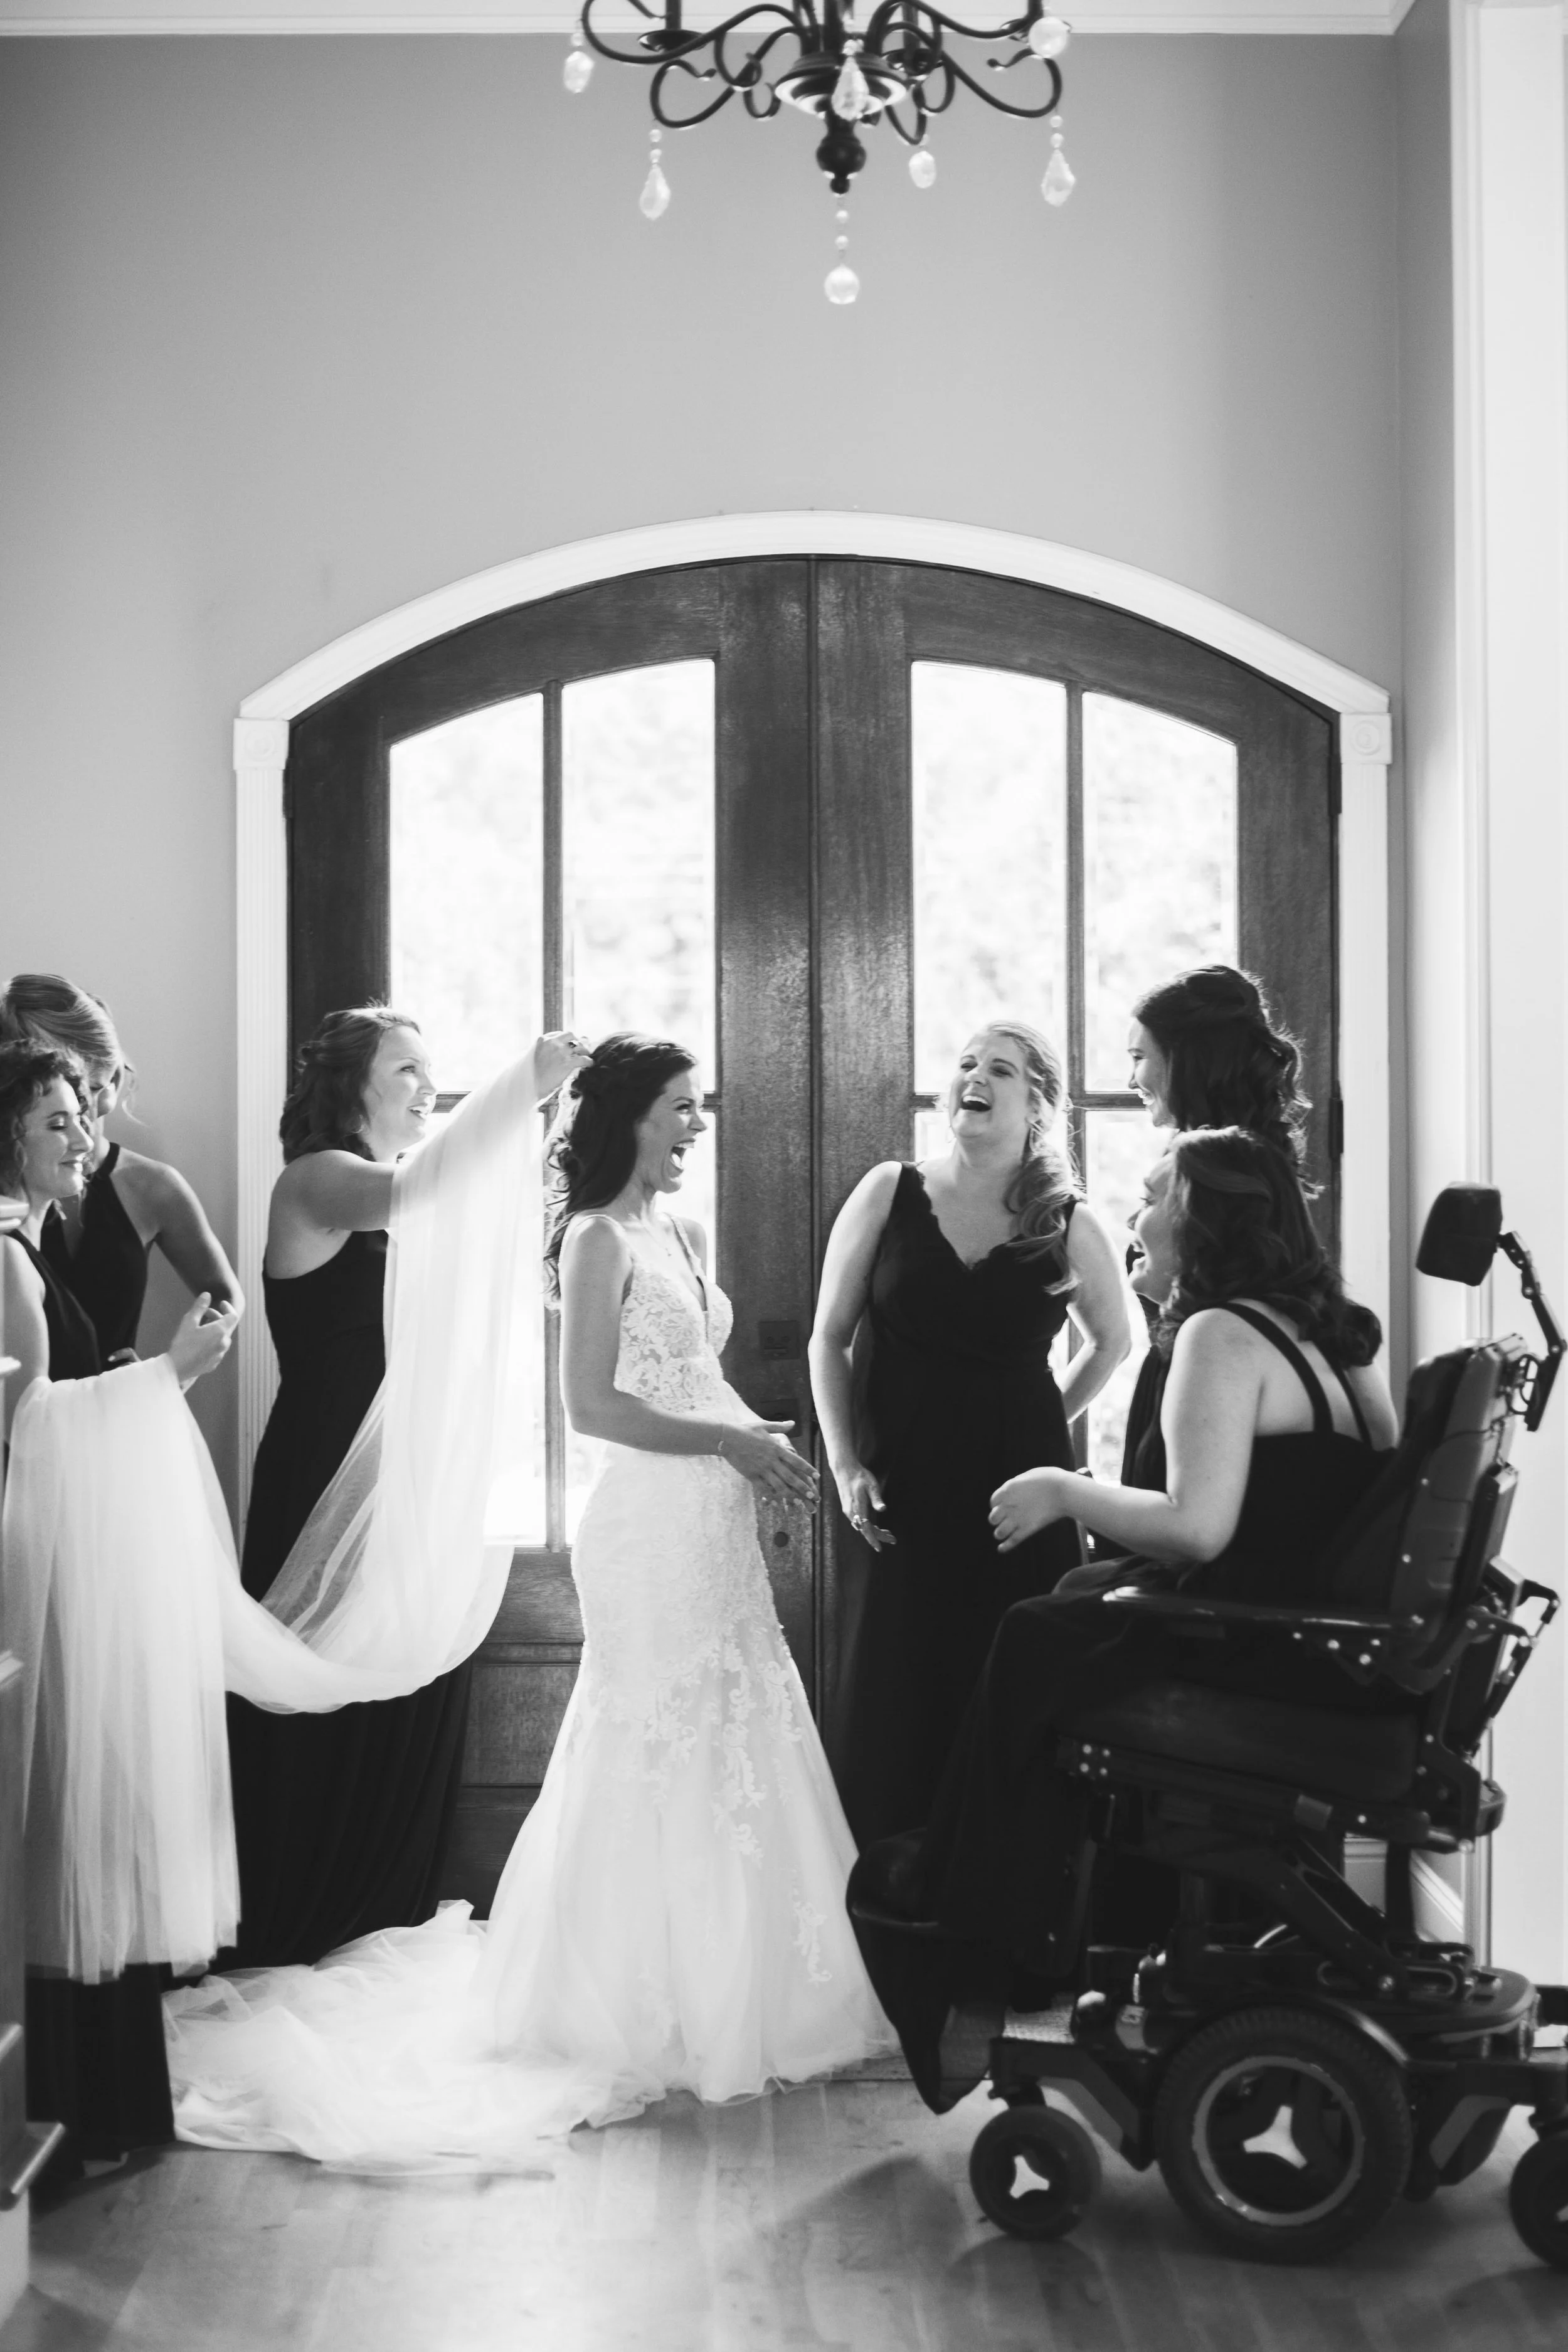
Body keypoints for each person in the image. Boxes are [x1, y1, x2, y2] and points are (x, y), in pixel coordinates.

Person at [165, 1032, 893, 2166]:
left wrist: (757, 1442)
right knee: (645, 1736)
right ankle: (614, 1994)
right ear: (628, 1117)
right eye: (679, 1107)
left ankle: (760, 1985)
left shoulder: (682, 1234)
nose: (698, 1124)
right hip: (647, 1527)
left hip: (713, 1521)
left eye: (700, 1106)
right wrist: (726, 1444)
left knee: (743, 1727)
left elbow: (688, 1372)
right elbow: (591, 1406)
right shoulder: (589, 1238)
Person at [849, 1126, 1399, 2109]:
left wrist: (1068, 1487)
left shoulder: (1222, 1336)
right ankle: (1007, 1902)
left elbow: (1197, 1526)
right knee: (1060, 1606)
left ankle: (964, 1898)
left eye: (1153, 1196)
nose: (1134, 1216)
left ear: (1206, 1219)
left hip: (1255, 1653)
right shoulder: (1339, 1333)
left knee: (1036, 1632)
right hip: (1319, 1644)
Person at [222, 1007, 575, 1967]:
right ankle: (301, 1922)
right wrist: (521, 1085)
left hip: (407, 1484)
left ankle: (382, 1913)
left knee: (410, 1687)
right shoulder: (320, 1179)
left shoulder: (413, 1197)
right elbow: (422, 1186)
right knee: (317, 1692)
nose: (428, 1084)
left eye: (433, 1069)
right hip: (327, 1475)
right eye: (407, 1068)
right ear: (350, 1085)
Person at [0, 1041, 238, 2182]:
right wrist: (171, 1377)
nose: (83, 1137)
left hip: (79, 1561)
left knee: (95, 1812)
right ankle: (71, 2107)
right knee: (65, 1817)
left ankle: (102, 2104)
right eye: (56, 1122)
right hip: (44, 1573)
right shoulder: (3, 1254)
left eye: (81, 1117)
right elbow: (31, 1429)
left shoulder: (35, 1241)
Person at [810, 1022, 1130, 1845]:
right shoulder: (889, 1191)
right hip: (898, 1491)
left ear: (1037, 1104)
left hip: (1014, 1499)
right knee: (895, 1694)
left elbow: (1114, 1339)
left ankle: (1005, 1911)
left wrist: (1043, 1420)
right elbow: (828, 1337)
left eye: (1001, 1068)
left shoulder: (1065, 1218)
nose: (973, 1077)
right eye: (965, 1065)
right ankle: (883, 1896)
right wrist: (845, 1463)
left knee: (1009, 1687)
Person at [1120, 963, 1310, 1488]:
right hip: (1174, 1387)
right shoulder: (1214, 1162)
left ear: (1184, 1062)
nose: (1131, 1079)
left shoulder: (1234, 1177)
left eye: (1139, 1058)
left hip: (1210, 1408)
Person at [0, 972, 241, 1361]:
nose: (79, 1127)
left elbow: (222, 1297)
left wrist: (166, 1376)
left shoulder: (152, 1186)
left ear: (112, 1081)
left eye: (85, 1091)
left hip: (117, 1408)